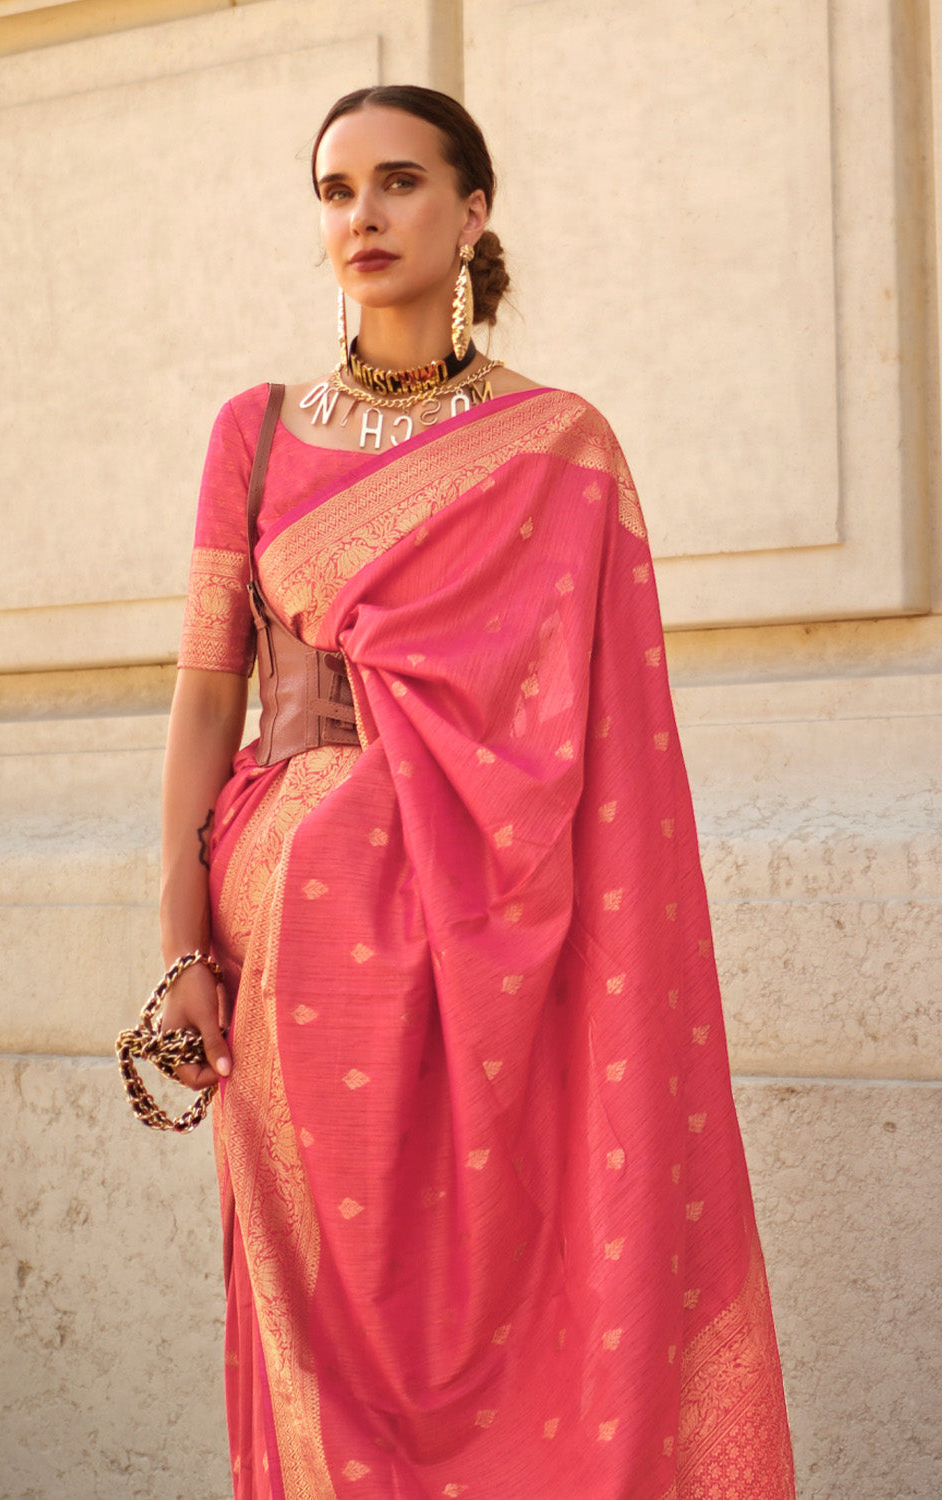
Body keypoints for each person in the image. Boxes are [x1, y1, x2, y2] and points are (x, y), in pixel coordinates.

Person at [159, 84, 796, 1499]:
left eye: (397, 183)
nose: (363, 216)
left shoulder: (558, 446)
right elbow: (209, 694)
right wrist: (177, 938)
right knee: (325, 1323)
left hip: (505, 935)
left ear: (472, 211)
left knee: (513, 1289)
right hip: (289, 948)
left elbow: (612, 749)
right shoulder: (252, 435)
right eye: (335, 190)